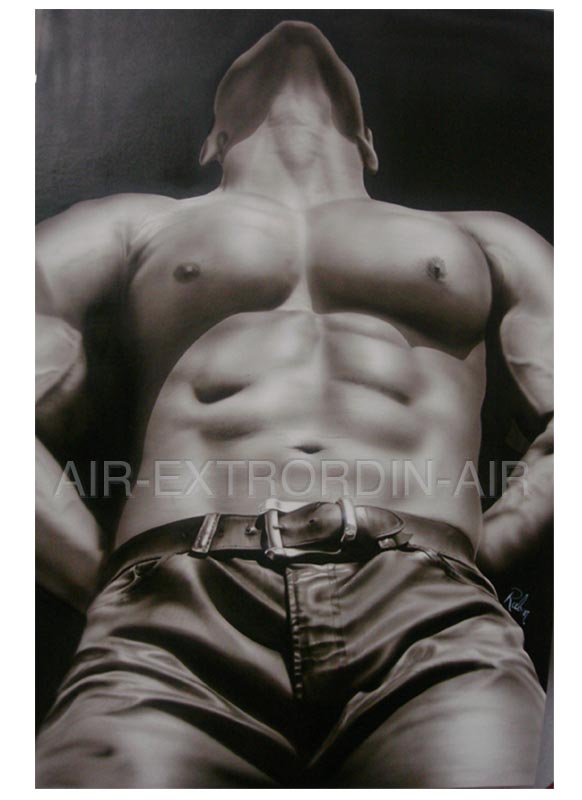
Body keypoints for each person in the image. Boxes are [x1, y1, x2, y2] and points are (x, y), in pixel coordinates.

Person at [35, 21, 553, 788]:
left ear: (370, 145)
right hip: (170, 618)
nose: (294, 32)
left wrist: (480, 553)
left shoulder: (486, 238)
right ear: (211, 142)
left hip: (431, 613)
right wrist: (103, 575)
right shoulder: (129, 225)